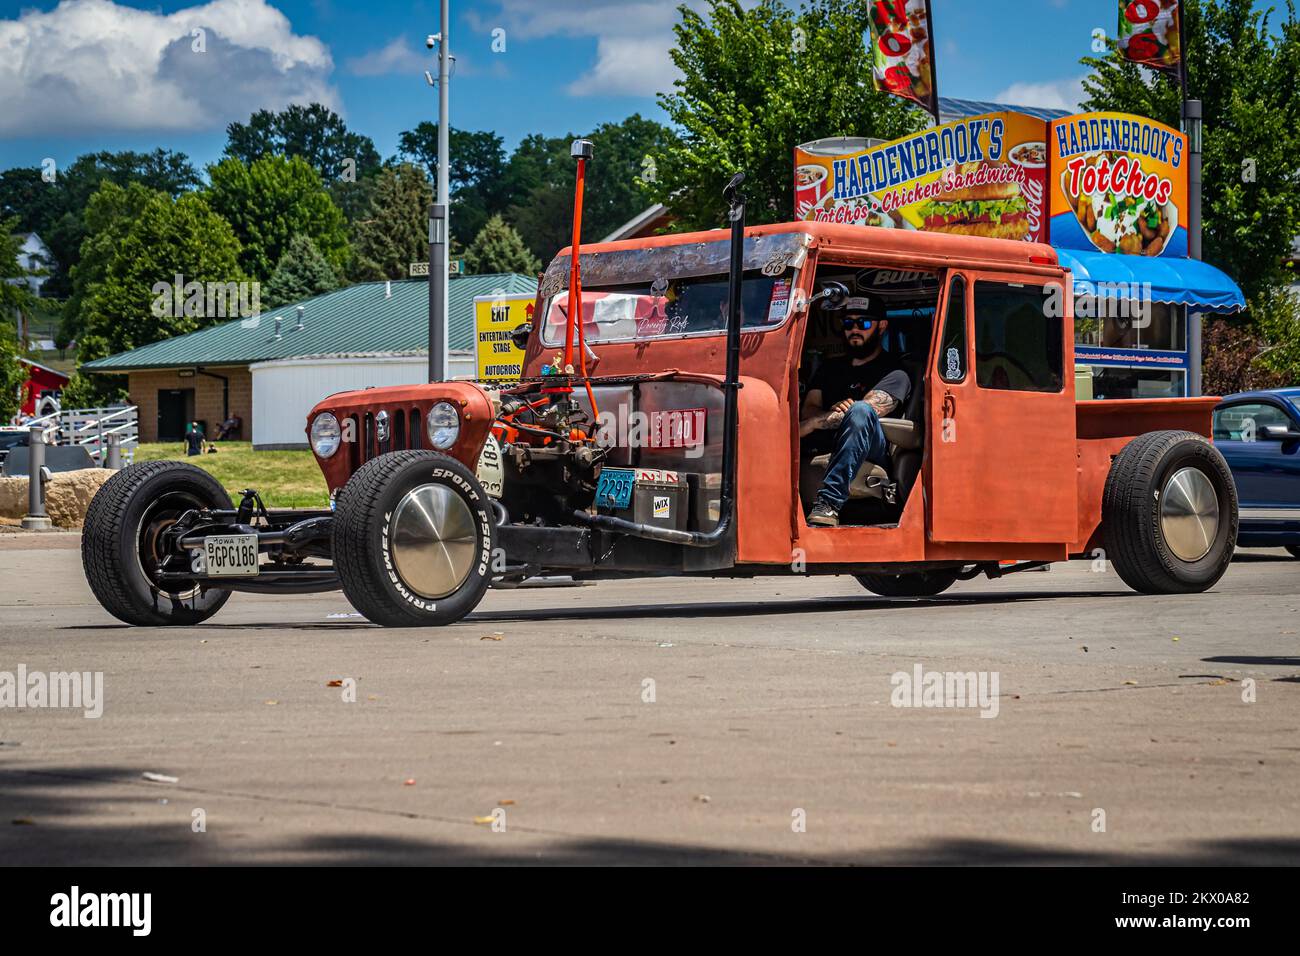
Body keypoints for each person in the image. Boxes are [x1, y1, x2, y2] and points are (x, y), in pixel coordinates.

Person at [799, 295, 911, 527]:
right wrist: (814, 419)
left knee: (859, 411)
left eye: (864, 324)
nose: (854, 330)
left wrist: (815, 422)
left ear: (882, 327)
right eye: (849, 324)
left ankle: (829, 503)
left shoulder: (895, 372)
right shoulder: (830, 367)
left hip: (872, 448)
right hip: (825, 443)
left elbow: (869, 410)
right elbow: (808, 408)